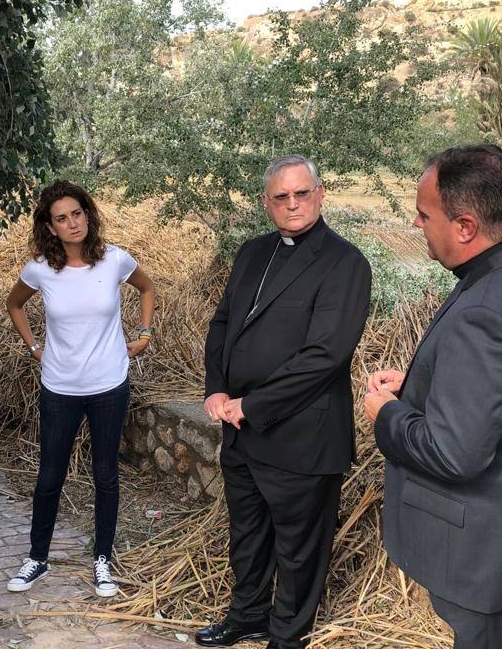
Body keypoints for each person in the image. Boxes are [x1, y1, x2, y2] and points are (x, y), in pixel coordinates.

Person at [364, 144, 502, 649]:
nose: (417, 225)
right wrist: (428, 384)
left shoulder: (484, 307)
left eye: (425, 215)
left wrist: (388, 414)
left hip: (492, 555)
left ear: (465, 226)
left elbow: (454, 452)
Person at [196, 155, 371, 649]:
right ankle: (248, 616)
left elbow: (325, 356)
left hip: (302, 435)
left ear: (320, 195)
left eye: (301, 194)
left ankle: (287, 637)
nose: (292, 204)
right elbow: (223, 324)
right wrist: (216, 388)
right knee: (247, 535)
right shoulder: (252, 252)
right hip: (241, 431)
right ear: (265, 203)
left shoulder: (345, 263)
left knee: (299, 548)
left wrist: (252, 405)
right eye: (281, 196)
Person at [5, 180, 156, 598]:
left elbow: (147, 287)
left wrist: (144, 332)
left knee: (105, 475)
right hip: (60, 386)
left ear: (88, 214)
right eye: (61, 218)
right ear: (50, 228)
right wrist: (35, 346)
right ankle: (37, 558)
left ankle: (102, 559)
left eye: (77, 213)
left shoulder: (115, 259)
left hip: (109, 384)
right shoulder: (39, 269)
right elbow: (14, 304)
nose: (72, 223)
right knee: (50, 476)